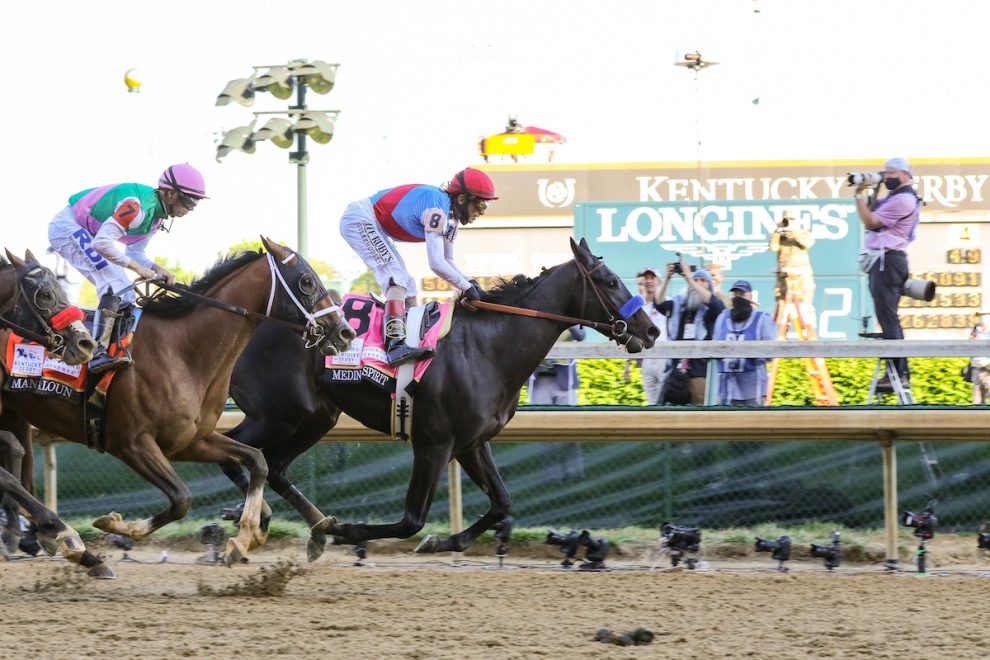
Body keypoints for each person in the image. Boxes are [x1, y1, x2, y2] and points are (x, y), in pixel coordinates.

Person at [47, 163, 207, 374]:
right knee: (114, 284)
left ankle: (114, 348)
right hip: (68, 226)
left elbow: (134, 254)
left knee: (128, 293)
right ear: (169, 194)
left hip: (89, 233)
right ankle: (96, 354)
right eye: (189, 200)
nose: (191, 208)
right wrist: (140, 270)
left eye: (195, 202)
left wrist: (158, 268)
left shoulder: (157, 218)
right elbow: (101, 244)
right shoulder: (137, 208)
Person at [339, 167, 497, 366]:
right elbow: (436, 263)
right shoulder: (437, 209)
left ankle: (410, 340)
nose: (481, 212)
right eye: (480, 205)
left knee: (409, 286)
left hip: (373, 222)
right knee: (397, 278)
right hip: (360, 218)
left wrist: (469, 282)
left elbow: (448, 261)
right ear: (462, 199)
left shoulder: (451, 219)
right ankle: (395, 345)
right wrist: (466, 287)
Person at [854, 157, 921, 388]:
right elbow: (873, 208)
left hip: (887, 261)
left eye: (891, 173)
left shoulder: (903, 199)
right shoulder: (896, 197)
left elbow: (870, 220)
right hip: (887, 261)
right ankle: (896, 372)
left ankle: (899, 373)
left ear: (904, 174)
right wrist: (873, 186)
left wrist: (857, 196)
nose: (888, 177)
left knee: (888, 318)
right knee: (887, 318)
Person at [655, 255, 725, 405]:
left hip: (700, 372)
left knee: (701, 416)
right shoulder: (680, 306)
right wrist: (667, 278)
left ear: (709, 286)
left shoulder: (713, 308)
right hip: (677, 372)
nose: (697, 284)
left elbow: (715, 303)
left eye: (703, 281)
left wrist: (689, 278)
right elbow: (659, 302)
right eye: (696, 279)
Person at [528, 325, 585, 481]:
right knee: (543, 430)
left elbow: (581, 335)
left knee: (571, 428)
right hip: (540, 380)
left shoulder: (570, 314)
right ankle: (550, 475)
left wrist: (570, 323)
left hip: (564, 379)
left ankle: (575, 471)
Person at [712, 280, 777, 406]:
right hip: (727, 388)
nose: (738, 297)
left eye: (742, 294)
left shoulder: (762, 319)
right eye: (735, 294)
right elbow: (714, 350)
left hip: (753, 388)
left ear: (750, 296)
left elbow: (770, 354)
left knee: (754, 424)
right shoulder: (722, 318)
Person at [622, 267, 669, 404]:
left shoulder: (668, 303)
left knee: (665, 400)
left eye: (652, 278)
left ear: (659, 281)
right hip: (647, 359)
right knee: (651, 403)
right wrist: (628, 364)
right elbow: (631, 333)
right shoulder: (639, 307)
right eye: (646, 278)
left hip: (664, 357)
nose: (648, 281)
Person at [769, 209, 817, 311]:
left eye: (791, 220)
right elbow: (773, 247)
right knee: (782, 310)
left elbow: (808, 243)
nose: (789, 223)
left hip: (802, 279)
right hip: (784, 280)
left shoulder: (803, 233)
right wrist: (778, 230)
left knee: (805, 310)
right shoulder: (780, 237)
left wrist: (795, 232)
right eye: (787, 220)